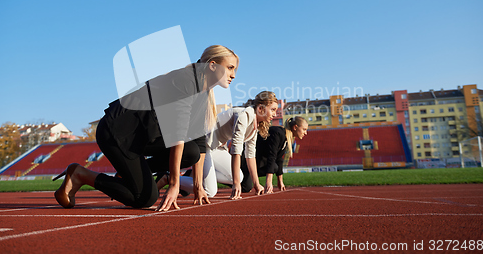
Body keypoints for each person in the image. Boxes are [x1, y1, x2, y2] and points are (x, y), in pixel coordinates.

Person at [53, 45, 239, 211]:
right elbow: (177, 134)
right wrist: (174, 183)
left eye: (235, 70)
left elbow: (198, 142)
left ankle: (129, 174)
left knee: (191, 152)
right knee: (145, 199)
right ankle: (80, 174)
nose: (233, 75)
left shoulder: (204, 94)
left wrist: (198, 187)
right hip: (117, 133)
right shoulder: (186, 81)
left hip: (143, 137)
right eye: (230, 68)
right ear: (213, 65)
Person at [160, 91, 279, 199]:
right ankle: (169, 177)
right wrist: (236, 185)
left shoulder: (255, 125)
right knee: (210, 191)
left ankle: (198, 175)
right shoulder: (244, 115)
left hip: (217, 148)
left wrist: (256, 184)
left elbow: (250, 155)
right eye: (273, 109)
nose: (275, 114)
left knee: (239, 177)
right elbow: (236, 150)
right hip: (205, 145)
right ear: (261, 108)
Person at [240, 116, 308, 193]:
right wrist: (269, 183)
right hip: (245, 159)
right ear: (295, 127)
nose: (305, 133)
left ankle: (243, 177)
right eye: (304, 129)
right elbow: (271, 157)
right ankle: (230, 177)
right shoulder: (278, 133)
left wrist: (280, 182)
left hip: (257, 162)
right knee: (246, 188)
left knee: (275, 167)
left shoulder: (286, 138)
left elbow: (279, 159)